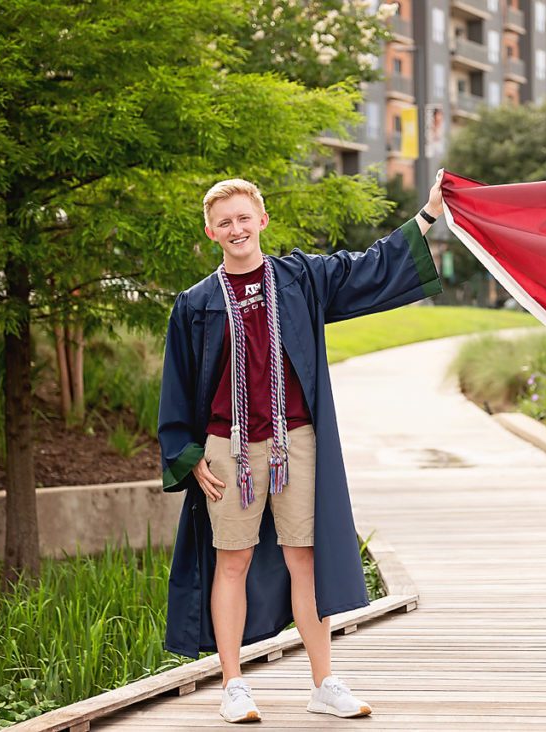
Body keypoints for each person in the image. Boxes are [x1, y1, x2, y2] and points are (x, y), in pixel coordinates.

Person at [158, 174, 444, 723]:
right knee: (232, 561)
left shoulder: (301, 279)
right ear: (211, 231)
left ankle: (323, 682)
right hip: (228, 451)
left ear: (261, 221)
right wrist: (190, 460)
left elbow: (370, 264)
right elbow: (176, 386)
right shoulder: (195, 304)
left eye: (244, 217)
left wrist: (427, 215)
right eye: (224, 222)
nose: (236, 228)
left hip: (297, 443)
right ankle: (234, 686)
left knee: (303, 560)